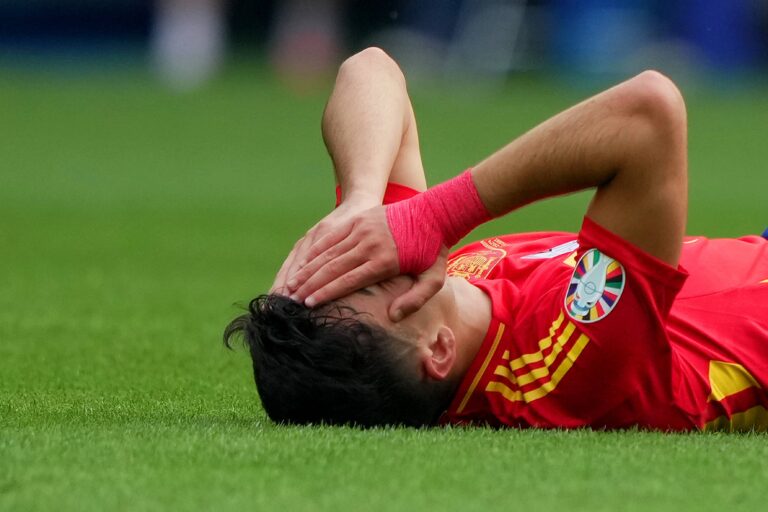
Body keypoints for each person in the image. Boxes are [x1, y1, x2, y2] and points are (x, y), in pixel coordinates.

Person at [224, 47, 768, 430]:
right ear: (438, 351)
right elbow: (649, 113)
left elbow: (370, 69)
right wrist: (439, 215)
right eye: (361, 286)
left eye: (322, 278)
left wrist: (361, 200)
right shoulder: (563, 373)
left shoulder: (425, 288)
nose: (352, 263)